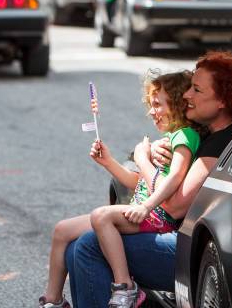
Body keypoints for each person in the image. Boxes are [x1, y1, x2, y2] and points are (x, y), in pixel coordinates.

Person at [64, 51, 232, 307]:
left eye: (197, 90)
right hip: (187, 238)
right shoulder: (206, 131)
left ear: (222, 101)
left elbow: (174, 206)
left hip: (196, 251)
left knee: (88, 246)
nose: (186, 95)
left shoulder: (223, 142)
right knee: (75, 246)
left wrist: (143, 159)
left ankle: (125, 290)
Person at [39, 71, 200, 308]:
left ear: (177, 102)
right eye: (150, 104)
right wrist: (109, 162)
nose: (151, 111)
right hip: (144, 210)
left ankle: (125, 286)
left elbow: (176, 176)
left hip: (156, 216)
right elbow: (140, 183)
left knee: (101, 217)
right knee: (62, 231)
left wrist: (146, 205)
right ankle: (52, 301)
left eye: (157, 104)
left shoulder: (185, 136)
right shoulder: (170, 139)